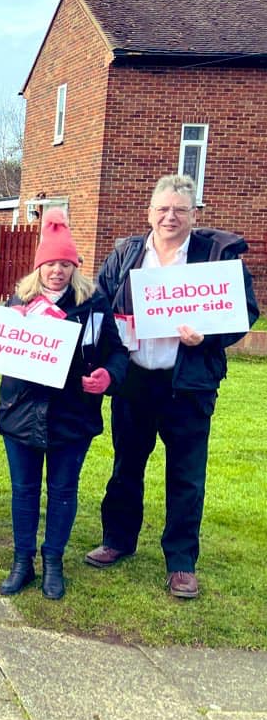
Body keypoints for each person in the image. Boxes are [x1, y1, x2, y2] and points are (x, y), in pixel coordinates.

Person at [85, 174, 259, 599]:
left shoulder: (213, 255)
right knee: (126, 467)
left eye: (180, 210)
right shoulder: (127, 254)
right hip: (136, 381)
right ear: (149, 213)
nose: (170, 217)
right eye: (162, 209)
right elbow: (100, 304)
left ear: (193, 215)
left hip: (188, 385)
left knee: (186, 476)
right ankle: (118, 541)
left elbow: (245, 311)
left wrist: (208, 337)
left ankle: (181, 563)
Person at [0, 208, 127, 599]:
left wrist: (109, 376)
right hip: (22, 413)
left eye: (64, 264)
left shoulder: (94, 304)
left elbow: (115, 352)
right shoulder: (18, 302)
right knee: (24, 490)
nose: (57, 271)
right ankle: (22, 562)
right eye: (50, 263)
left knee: (64, 490)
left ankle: (53, 561)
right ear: (39, 267)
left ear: (74, 266)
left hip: (73, 415)